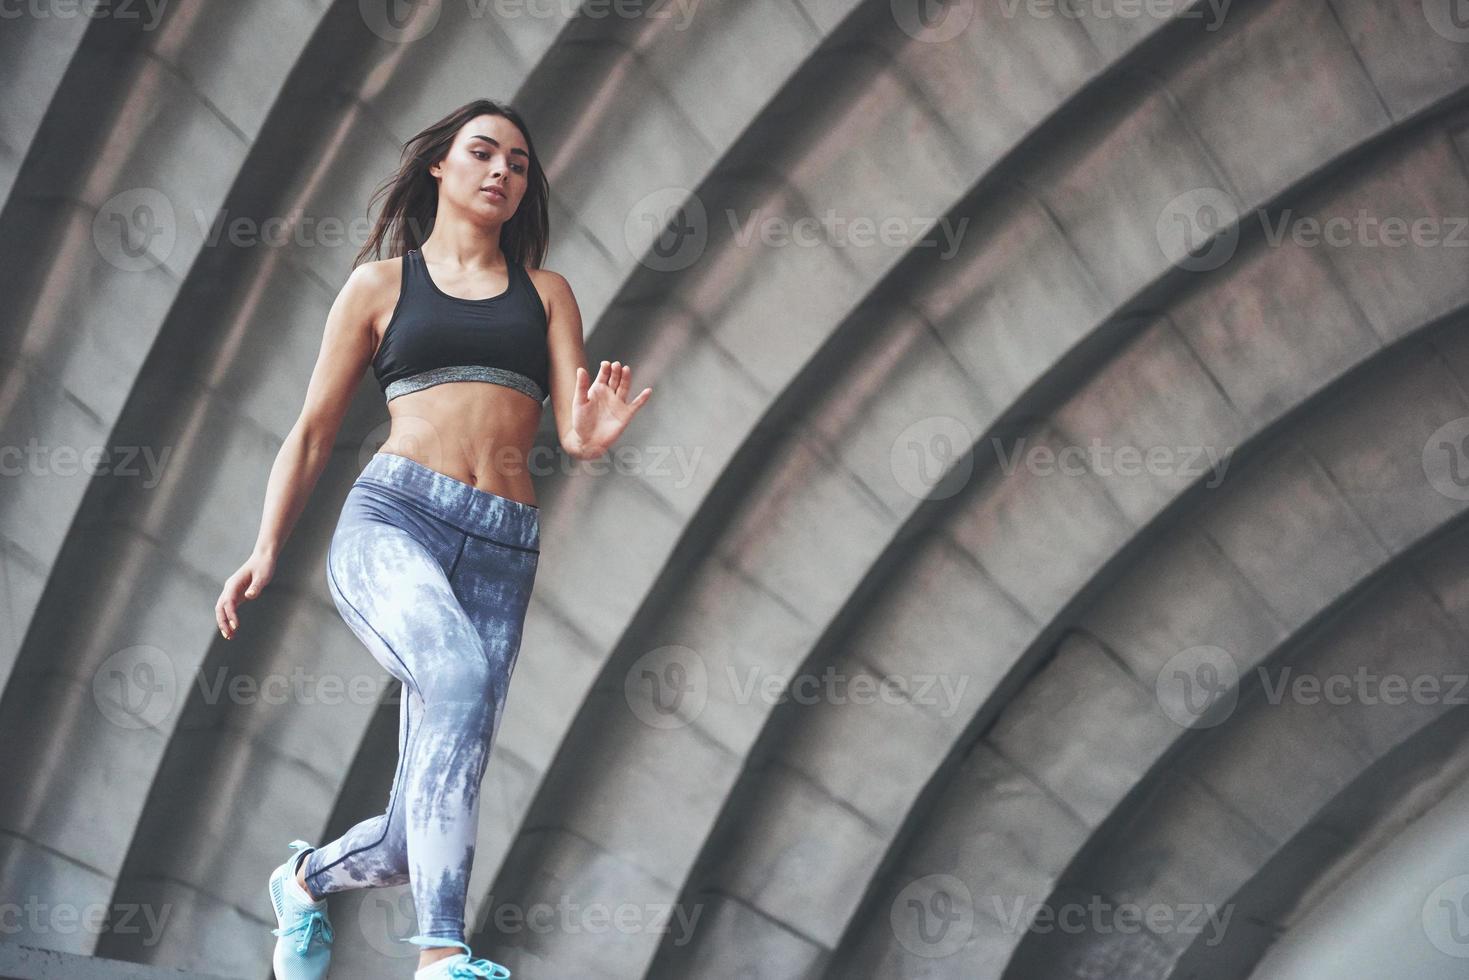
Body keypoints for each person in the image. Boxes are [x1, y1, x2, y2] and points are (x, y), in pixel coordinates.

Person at [214, 99, 652, 980]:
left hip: (502, 547)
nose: (501, 172)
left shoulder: (548, 292)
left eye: (518, 164)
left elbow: (567, 430)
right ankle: (443, 956)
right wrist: (265, 548)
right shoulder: (379, 285)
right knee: (452, 675)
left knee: (419, 839)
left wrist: (590, 435)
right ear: (438, 170)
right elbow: (310, 431)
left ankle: (303, 879)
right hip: (394, 521)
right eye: (482, 153)